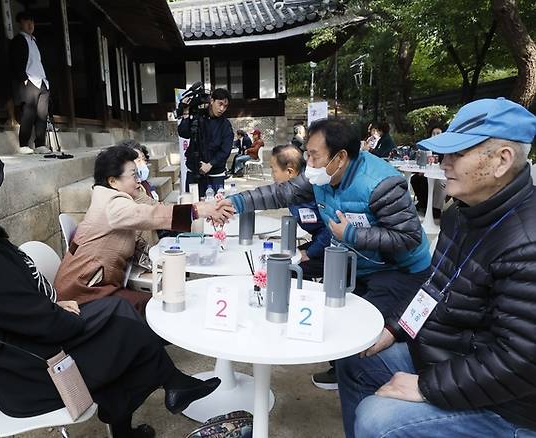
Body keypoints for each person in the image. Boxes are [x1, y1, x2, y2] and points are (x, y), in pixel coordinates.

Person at [0, 133, 221, 438]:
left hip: (12, 358)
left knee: (119, 311)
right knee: (130, 329)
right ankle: (164, 388)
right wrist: (64, 314)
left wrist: (57, 309)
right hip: (30, 378)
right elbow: (45, 325)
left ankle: (167, 388)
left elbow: (7, 311)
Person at [337, 97, 536, 438]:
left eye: (457, 154)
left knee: (376, 418)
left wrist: (426, 387)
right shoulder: (461, 213)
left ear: (503, 160)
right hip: (450, 358)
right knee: (356, 356)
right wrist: (394, 328)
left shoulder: (527, 242)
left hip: (508, 406)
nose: (443, 163)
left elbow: (522, 361)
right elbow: (434, 285)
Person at [225, 119, 431, 389]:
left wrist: (353, 235)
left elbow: (408, 236)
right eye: (307, 153)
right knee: (338, 321)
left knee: (362, 333)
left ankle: (368, 382)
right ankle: (344, 369)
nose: (307, 161)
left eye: (313, 155)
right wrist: (234, 203)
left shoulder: (381, 184)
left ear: (340, 157)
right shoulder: (321, 176)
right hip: (357, 262)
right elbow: (280, 193)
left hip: (398, 270)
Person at [53, 145, 234, 316]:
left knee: (160, 306)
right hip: (82, 292)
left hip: (98, 284)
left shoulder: (110, 197)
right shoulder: (112, 205)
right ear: (113, 181)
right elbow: (151, 214)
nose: (139, 180)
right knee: (159, 310)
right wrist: (198, 210)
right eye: (133, 175)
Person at [269, 144, 331, 280]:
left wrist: (310, 252)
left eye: (274, 170)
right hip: (319, 242)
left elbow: (331, 228)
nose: (272, 175)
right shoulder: (290, 189)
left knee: (288, 269)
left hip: (333, 249)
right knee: (281, 261)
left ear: (290, 172)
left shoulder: (314, 189)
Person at [178, 88, 234, 196]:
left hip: (215, 173)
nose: (222, 109)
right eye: (220, 104)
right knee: (193, 207)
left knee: (215, 208)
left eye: (225, 106)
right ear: (212, 101)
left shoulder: (225, 125)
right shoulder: (197, 117)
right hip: (194, 170)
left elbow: (225, 150)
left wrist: (210, 164)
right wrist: (185, 112)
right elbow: (184, 133)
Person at [10, 11, 50, 154]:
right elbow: (15, 61)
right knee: (29, 112)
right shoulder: (18, 40)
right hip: (30, 79)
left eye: (32, 22)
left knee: (42, 113)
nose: (30, 24)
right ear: (20, 23)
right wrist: (23, 78)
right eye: (26, 21)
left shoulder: (35, 41)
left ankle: (40, 144)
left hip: (42, 80)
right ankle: (23, 143)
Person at [410, 125, 447, 218]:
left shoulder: (446, 147)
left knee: (437, 182)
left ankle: (435, 208)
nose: (435, 136)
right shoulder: (427, 146)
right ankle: (423, 203)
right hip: (428, 172)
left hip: (442, 173)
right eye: (433, 133)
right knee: (415, 179)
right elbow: (421, 159)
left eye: (438, 133)